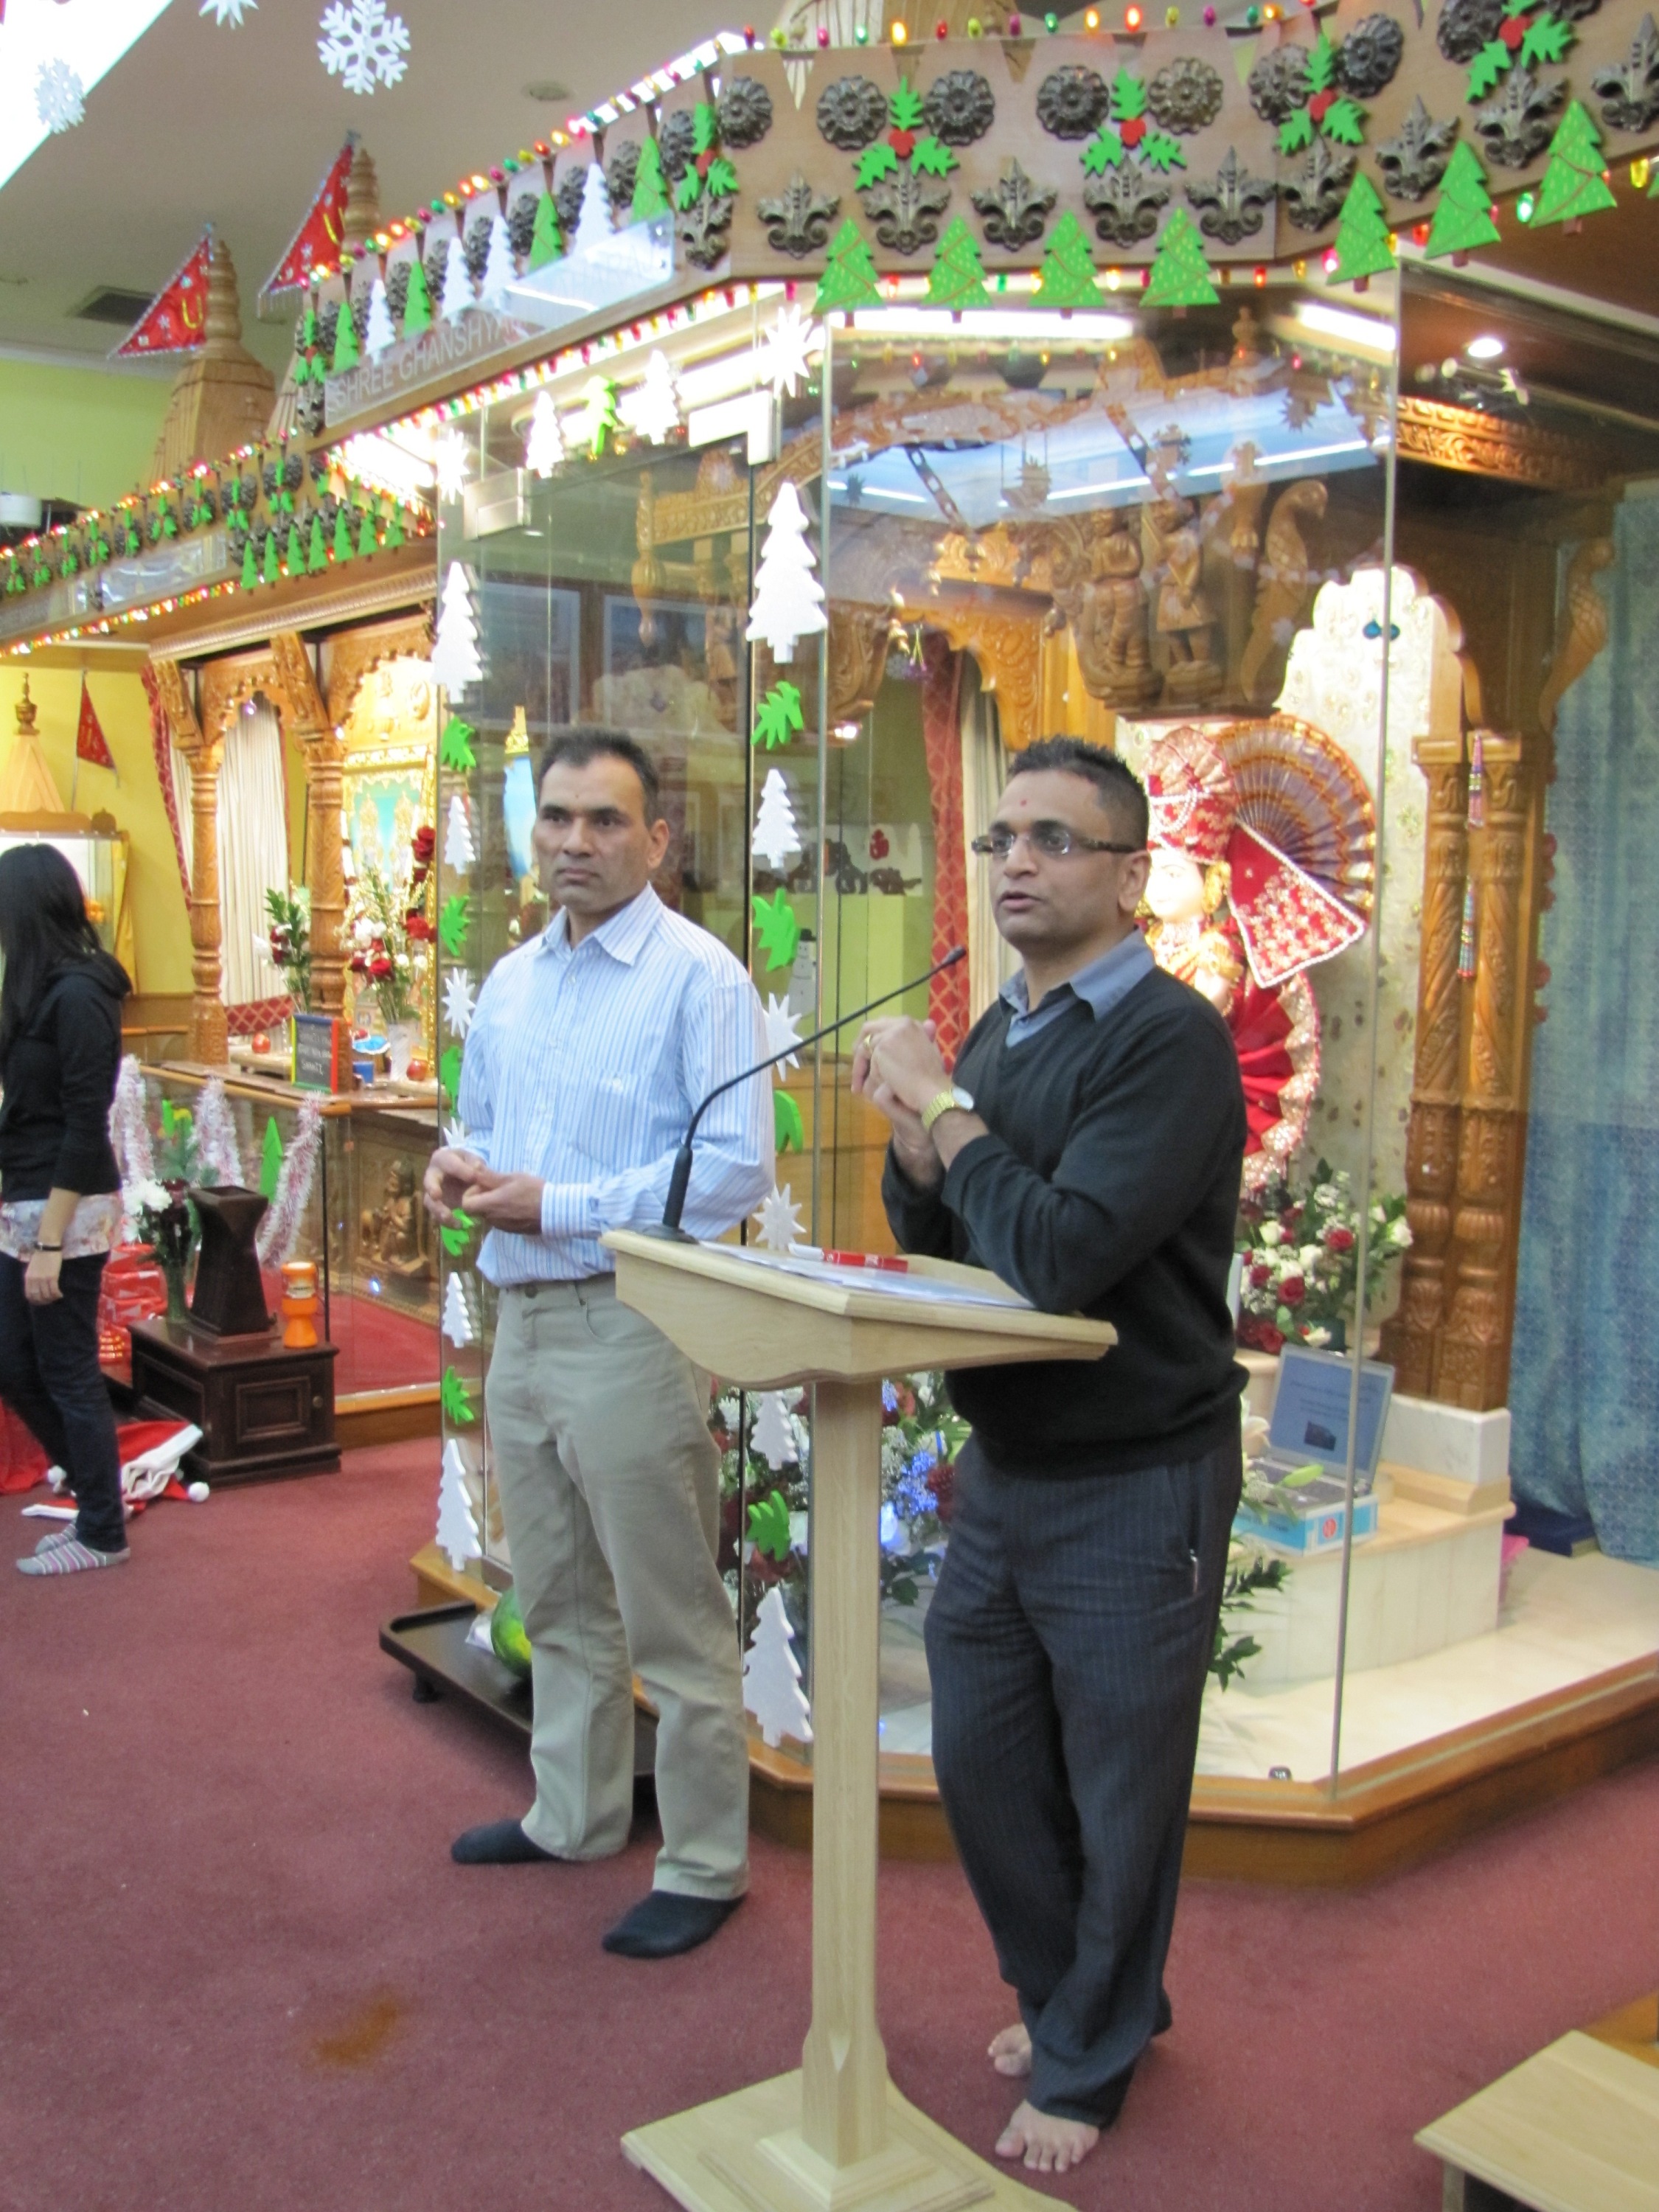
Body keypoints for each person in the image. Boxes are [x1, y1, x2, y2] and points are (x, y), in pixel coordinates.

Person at [852, 736, 1246, 2174]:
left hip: (1137, 1469)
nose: (1015, 861)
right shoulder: (1003, 1031)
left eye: (1053, 840)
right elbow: (961, 1244)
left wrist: (941, 1114)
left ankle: (1090, 2055)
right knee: (985, 1758)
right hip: (1009, 1457)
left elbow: (1068, 1258)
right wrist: (915, 1140)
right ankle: (1073, 1992)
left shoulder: (1169, 1041)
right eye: (1003, 836)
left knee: (1122, 1779)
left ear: (1132, 874)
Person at [422, 727, 771, 1960]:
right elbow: (478, 1123)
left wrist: (555, 1206)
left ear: (656, 839)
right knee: (558, 1595)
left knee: (673, 1617)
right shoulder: (516, 979)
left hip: (632, 1324)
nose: (576, 842)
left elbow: (731, 1169)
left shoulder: (700, 978)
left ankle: (707, 1861)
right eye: (558, 819)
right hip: (521, 1321)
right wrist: (452, 1171)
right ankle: (572, 1814)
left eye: (605, 821)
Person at [0, 845, 132, 1576]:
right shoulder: (39, 991)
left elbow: (85, 1125)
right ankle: (91, 1498)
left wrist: (50, 1243)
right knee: (13, 1360)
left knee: (65, 1366)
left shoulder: (81, 996)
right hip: (25, 1203)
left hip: (64, 1211)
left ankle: (104, 1529)